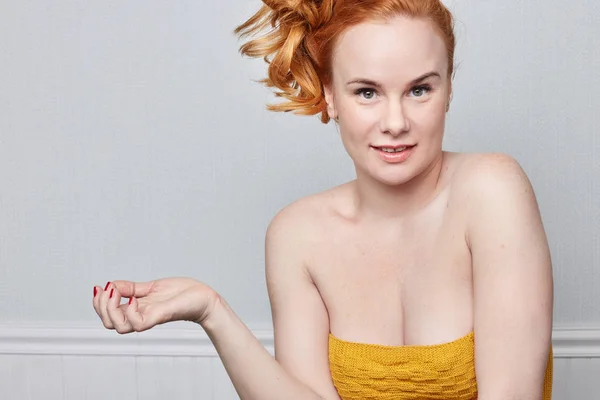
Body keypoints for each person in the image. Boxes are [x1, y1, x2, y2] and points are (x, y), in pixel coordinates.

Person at [92, 0, 554, 399]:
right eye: (367, 92)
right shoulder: (297, 235)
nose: (395, 121)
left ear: (448, 89)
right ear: (331, 96)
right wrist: (211, 309)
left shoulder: (493, 191)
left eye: (419, 89)